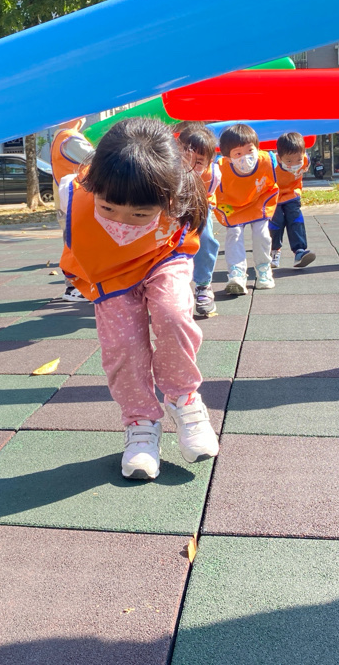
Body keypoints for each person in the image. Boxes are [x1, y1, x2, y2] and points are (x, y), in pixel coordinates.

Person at [60, 117, 219, 480]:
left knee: (173, 313)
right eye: (108, 208)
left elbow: (194, 227)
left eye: (140, 214)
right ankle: (140, 421)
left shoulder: (180, 191)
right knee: (123, 345)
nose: (123, 221)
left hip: (161, 255)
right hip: (110, 271)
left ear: (169, 198)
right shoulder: (76, 191)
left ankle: (183, 398)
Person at [214, 124, 279, 295]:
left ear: (257, 148)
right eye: (238, 154)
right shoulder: (220, 167)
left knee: (261, 233)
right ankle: (237, 273)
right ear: (228, 158)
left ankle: (264, 269)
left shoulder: (267, 161)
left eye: (250, 150)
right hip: (232, 205)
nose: (246, 157)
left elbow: (289, 158)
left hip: (258, 200)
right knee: (234, 233)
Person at [175, 121, 220, 317]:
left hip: (199, 204)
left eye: (199, 161)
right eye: (186, 156)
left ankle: (203, 284)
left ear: (209, 162)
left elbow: (209, 197)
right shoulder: (167, 168)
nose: (191, 165)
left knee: (206, 238)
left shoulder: (212, 175)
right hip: (172, 204)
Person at [50, 117, 93, 302]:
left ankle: (76, 286)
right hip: (75, 200)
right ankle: (75, 287)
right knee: (77, 245)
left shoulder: (60, 137)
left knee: (75, 243)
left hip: (70, 200)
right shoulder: (69, 138)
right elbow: (96, 159)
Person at [269, 132, 315, 269]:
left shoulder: (305, 160)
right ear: (279, 157)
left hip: (292, 194)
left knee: (296, 220)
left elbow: (303, 164)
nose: (294, 164)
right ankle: (274, 251)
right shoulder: (271, 164)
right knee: (276, 223)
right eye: (289, 161)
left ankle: (299, 251)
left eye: (298, 160)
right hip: (274, 196)